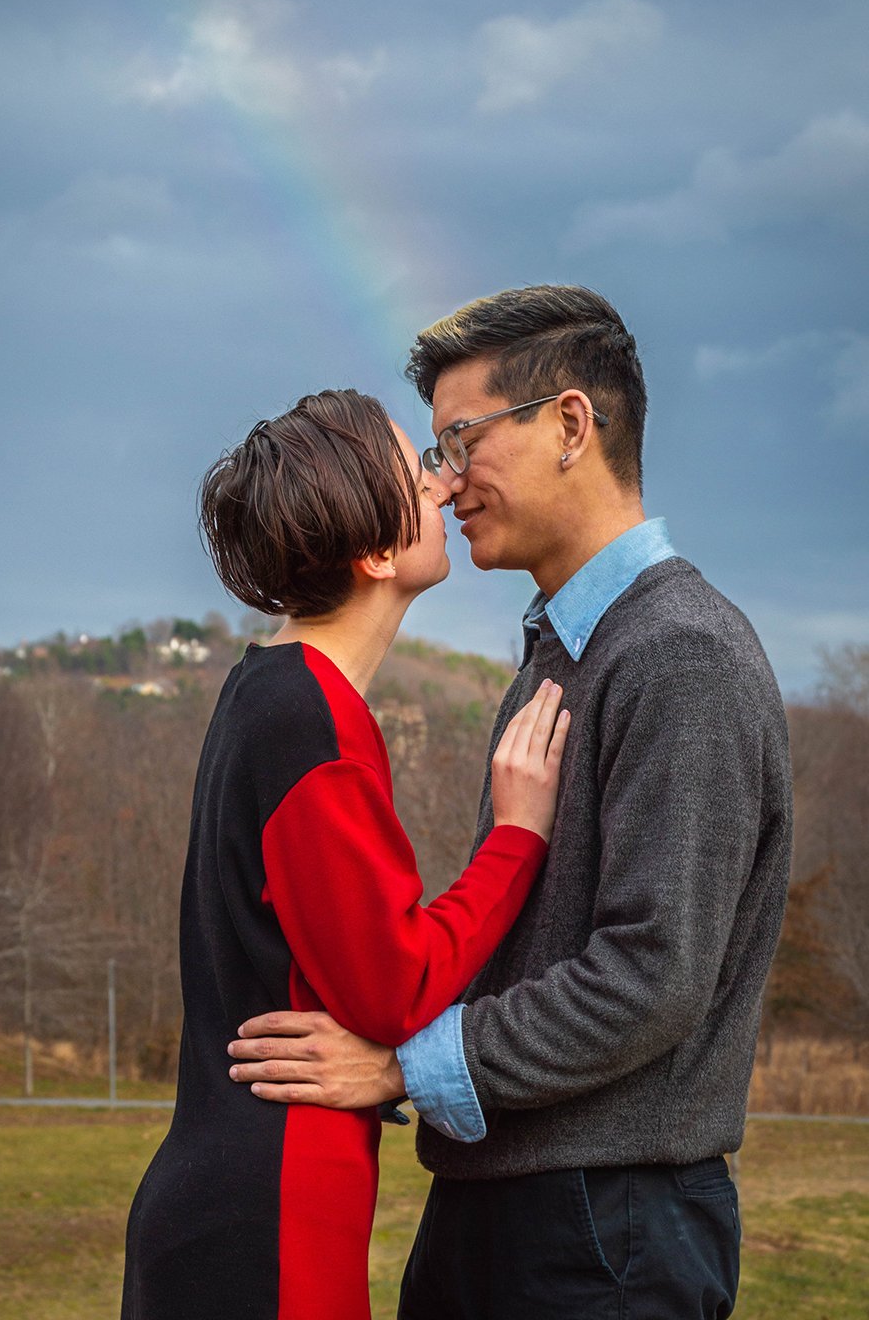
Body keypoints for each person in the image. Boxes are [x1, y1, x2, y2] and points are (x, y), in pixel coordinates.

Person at [228, 287, 794, 1319]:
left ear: (571, 424)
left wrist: (399, 1066)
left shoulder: (681, 653)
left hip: (603, 1231)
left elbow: (651, 977)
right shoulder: (562, 653)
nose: (445, 480)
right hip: (508, 1206)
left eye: (462, 438)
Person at [120, 388, 571, 1320]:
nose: (446, 486)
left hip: (236, 1199)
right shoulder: (306, 721)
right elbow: (394, 987)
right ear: (373, 554)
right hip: (266, 1217)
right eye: (420, 473)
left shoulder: (269, 690)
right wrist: (519, 837)